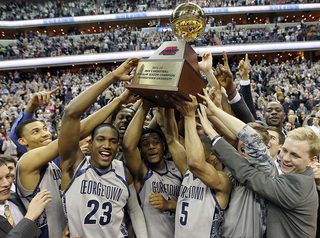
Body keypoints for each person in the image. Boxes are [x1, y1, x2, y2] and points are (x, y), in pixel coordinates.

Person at [201, 87, 320, 237]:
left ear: (312, 160)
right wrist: (215, 111)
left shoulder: (298, 187)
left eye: (295, 155)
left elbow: (248, 172)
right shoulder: (304, 177)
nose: (286, 158)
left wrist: (212, 131)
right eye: (285, 151)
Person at [59, 57, 148, 238]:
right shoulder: (73, 165)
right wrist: (113, 77)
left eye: (113, 141)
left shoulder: (123, 171)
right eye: (100, 139)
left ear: (118, 147)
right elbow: (71, 113)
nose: (107, 145)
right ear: (90, 143)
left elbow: (135, 211)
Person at [165, 96, 231, 237]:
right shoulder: (188, 171)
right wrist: (168, 103)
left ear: (213, 155)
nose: (192, 149)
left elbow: (196, 163)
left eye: (199, 147)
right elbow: (171, 139)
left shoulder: (222, 180)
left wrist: (189, 117)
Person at [123, 100, 182, 238]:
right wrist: (145, 106)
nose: (151, 147)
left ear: (164, 146)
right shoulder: (142, 172)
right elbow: (128, 146)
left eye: (156, 142)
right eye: (145, 144)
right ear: (141, 151)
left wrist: (169, 204)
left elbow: (196, 204)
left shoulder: (179, 168)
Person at [0, 158, 52, 238]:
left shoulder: (17, 198)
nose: (6, 183)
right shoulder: (30, 212)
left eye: (7, 176)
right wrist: (30, 217)